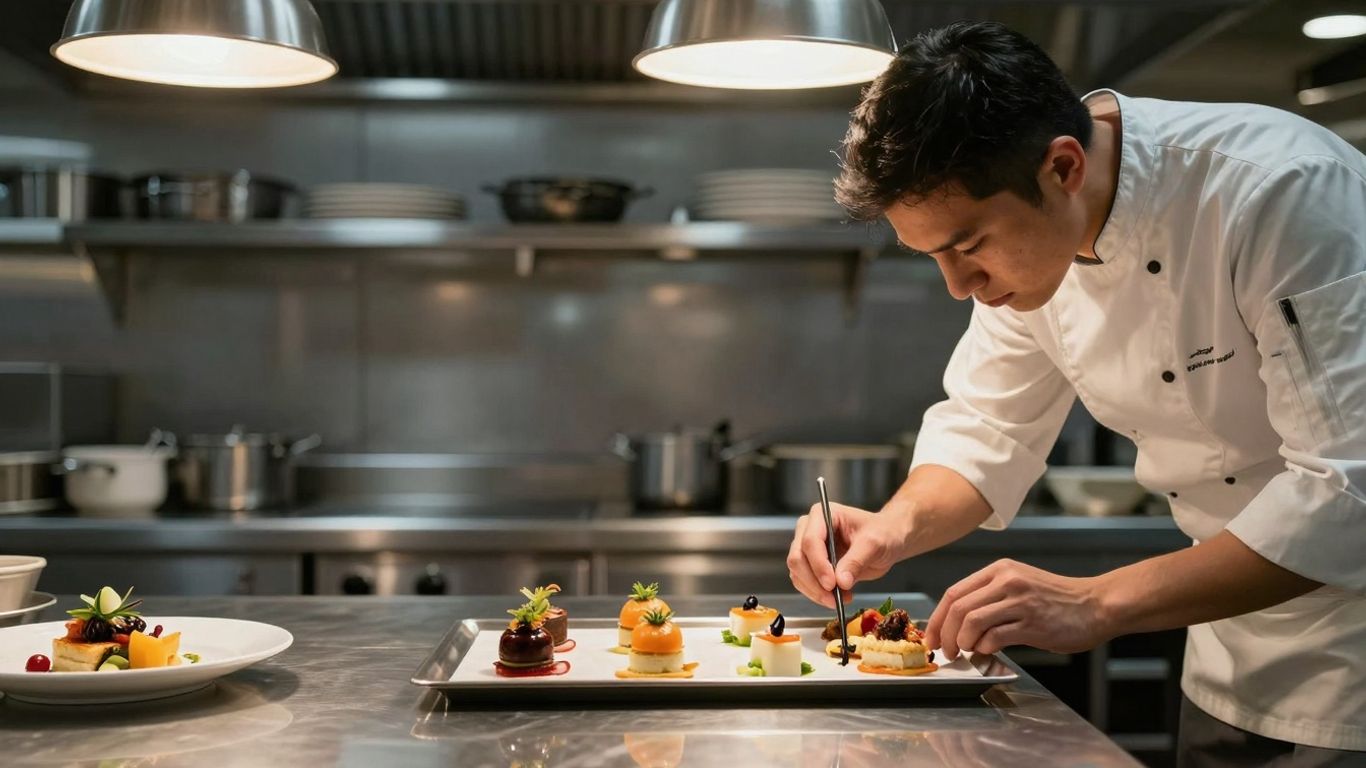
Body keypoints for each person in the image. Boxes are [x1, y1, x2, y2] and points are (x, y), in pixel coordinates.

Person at [786, 20, 1366, 766]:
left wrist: (1097, 602)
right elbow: (988, 425)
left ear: (1063, 167)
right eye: (932, 256)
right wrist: (892, 528)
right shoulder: (1033, 251)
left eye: (967, 246)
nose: (960, 286)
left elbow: (1348, 489)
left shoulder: (1279, 191)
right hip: (1228, 657)